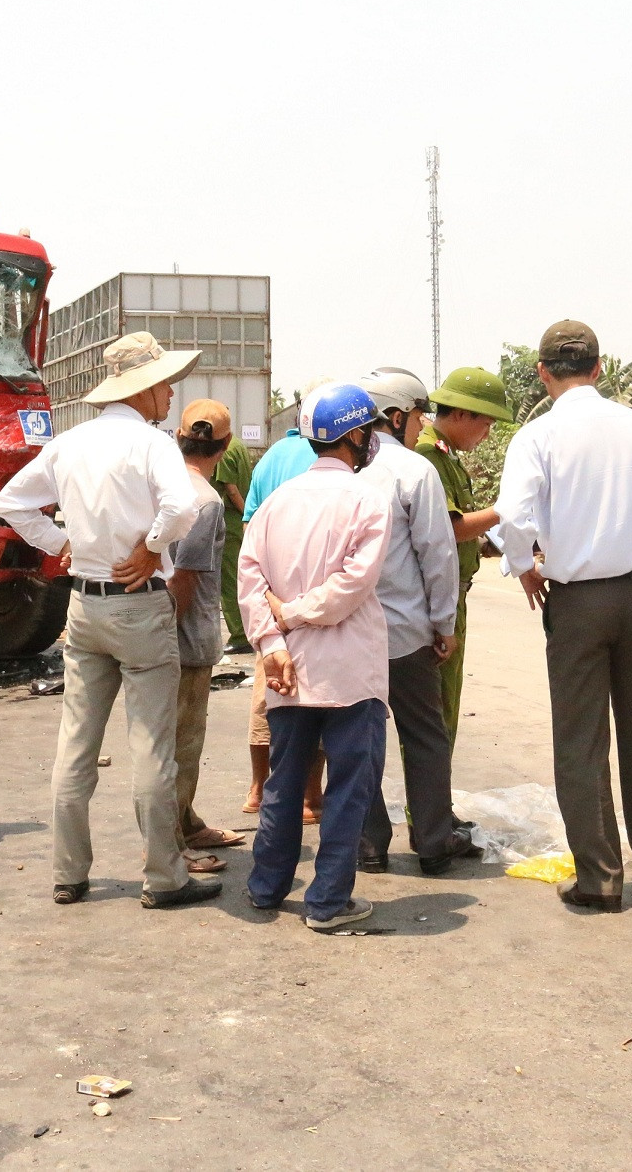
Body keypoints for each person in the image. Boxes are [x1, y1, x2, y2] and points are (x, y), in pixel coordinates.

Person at [0, 332, 219, 910]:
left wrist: (60, 542)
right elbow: (183, 507)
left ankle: (69, 873)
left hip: (84, 607)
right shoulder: (150, 444)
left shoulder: (71, 444)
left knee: (76, 745)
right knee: (151, 749)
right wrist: (150, 548)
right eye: (166, 383)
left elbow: (11, 503)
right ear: (143, 389)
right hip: (138, 603)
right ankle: (163, 877)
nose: (171, 394)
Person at [495, 320, 632, 913]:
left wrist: (524, 564)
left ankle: (601, 876)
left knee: (581, 737)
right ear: (600, 367)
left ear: (544, 372)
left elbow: (514, 513)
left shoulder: (538, 436)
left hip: (576, 600)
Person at [239, 382, 389, 929]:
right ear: (354, 434)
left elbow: (249, 581)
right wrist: (294, 615)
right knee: (349, 788)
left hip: (288, 673)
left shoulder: (278, 502)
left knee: (284, 781)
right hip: (350, 672)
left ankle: (265, 889)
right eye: (370, 429)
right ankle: (326, 902)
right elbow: (353, 586)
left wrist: (272, 641)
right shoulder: (367, 500)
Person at [355, 368, 473, 876]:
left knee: (357, 737)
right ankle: (432, 841)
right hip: (406, 633)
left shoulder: (337, 470)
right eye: (419, 414)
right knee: (424, 735)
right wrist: (444, 625)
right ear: (398, 416)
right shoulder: (412, 470)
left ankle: (367, 844)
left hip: (349, 635)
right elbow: (437, 555)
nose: (422, 424)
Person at [238, 383, 333, 822]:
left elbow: (251, 527)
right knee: (316, 696)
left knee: (268, 693)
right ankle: (311, 798)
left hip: (271, 596)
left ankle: (259, 790)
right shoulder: (333, 461)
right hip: (319, 598)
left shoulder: (273, 457)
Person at [169, 399, 249, 872]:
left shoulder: (160, 486)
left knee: (174, 740)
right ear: (225, 446)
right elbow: (185, 580)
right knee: (181, 744)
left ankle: (186, 820)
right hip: (185, 639)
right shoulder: (207, 500)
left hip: (162, 632)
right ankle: (170, 845)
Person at [416, 367, 514, 749]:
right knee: (436, 708)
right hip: (440, 594)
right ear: (460, 414)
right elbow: (451, 529)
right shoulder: (430, 456)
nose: (487, 433)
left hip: (453, 590)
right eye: (485, 423)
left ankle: (436, 803)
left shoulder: (446, 456)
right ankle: (428, 807)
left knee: (446, 704)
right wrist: (507, 508)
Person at [212, 433, 254, 653]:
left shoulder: (225, 450)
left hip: (231, 522)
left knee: (229, 583)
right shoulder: (238, 444)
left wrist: (245, 513)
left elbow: (231, 488)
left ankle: (239, 635)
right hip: (238, 523)